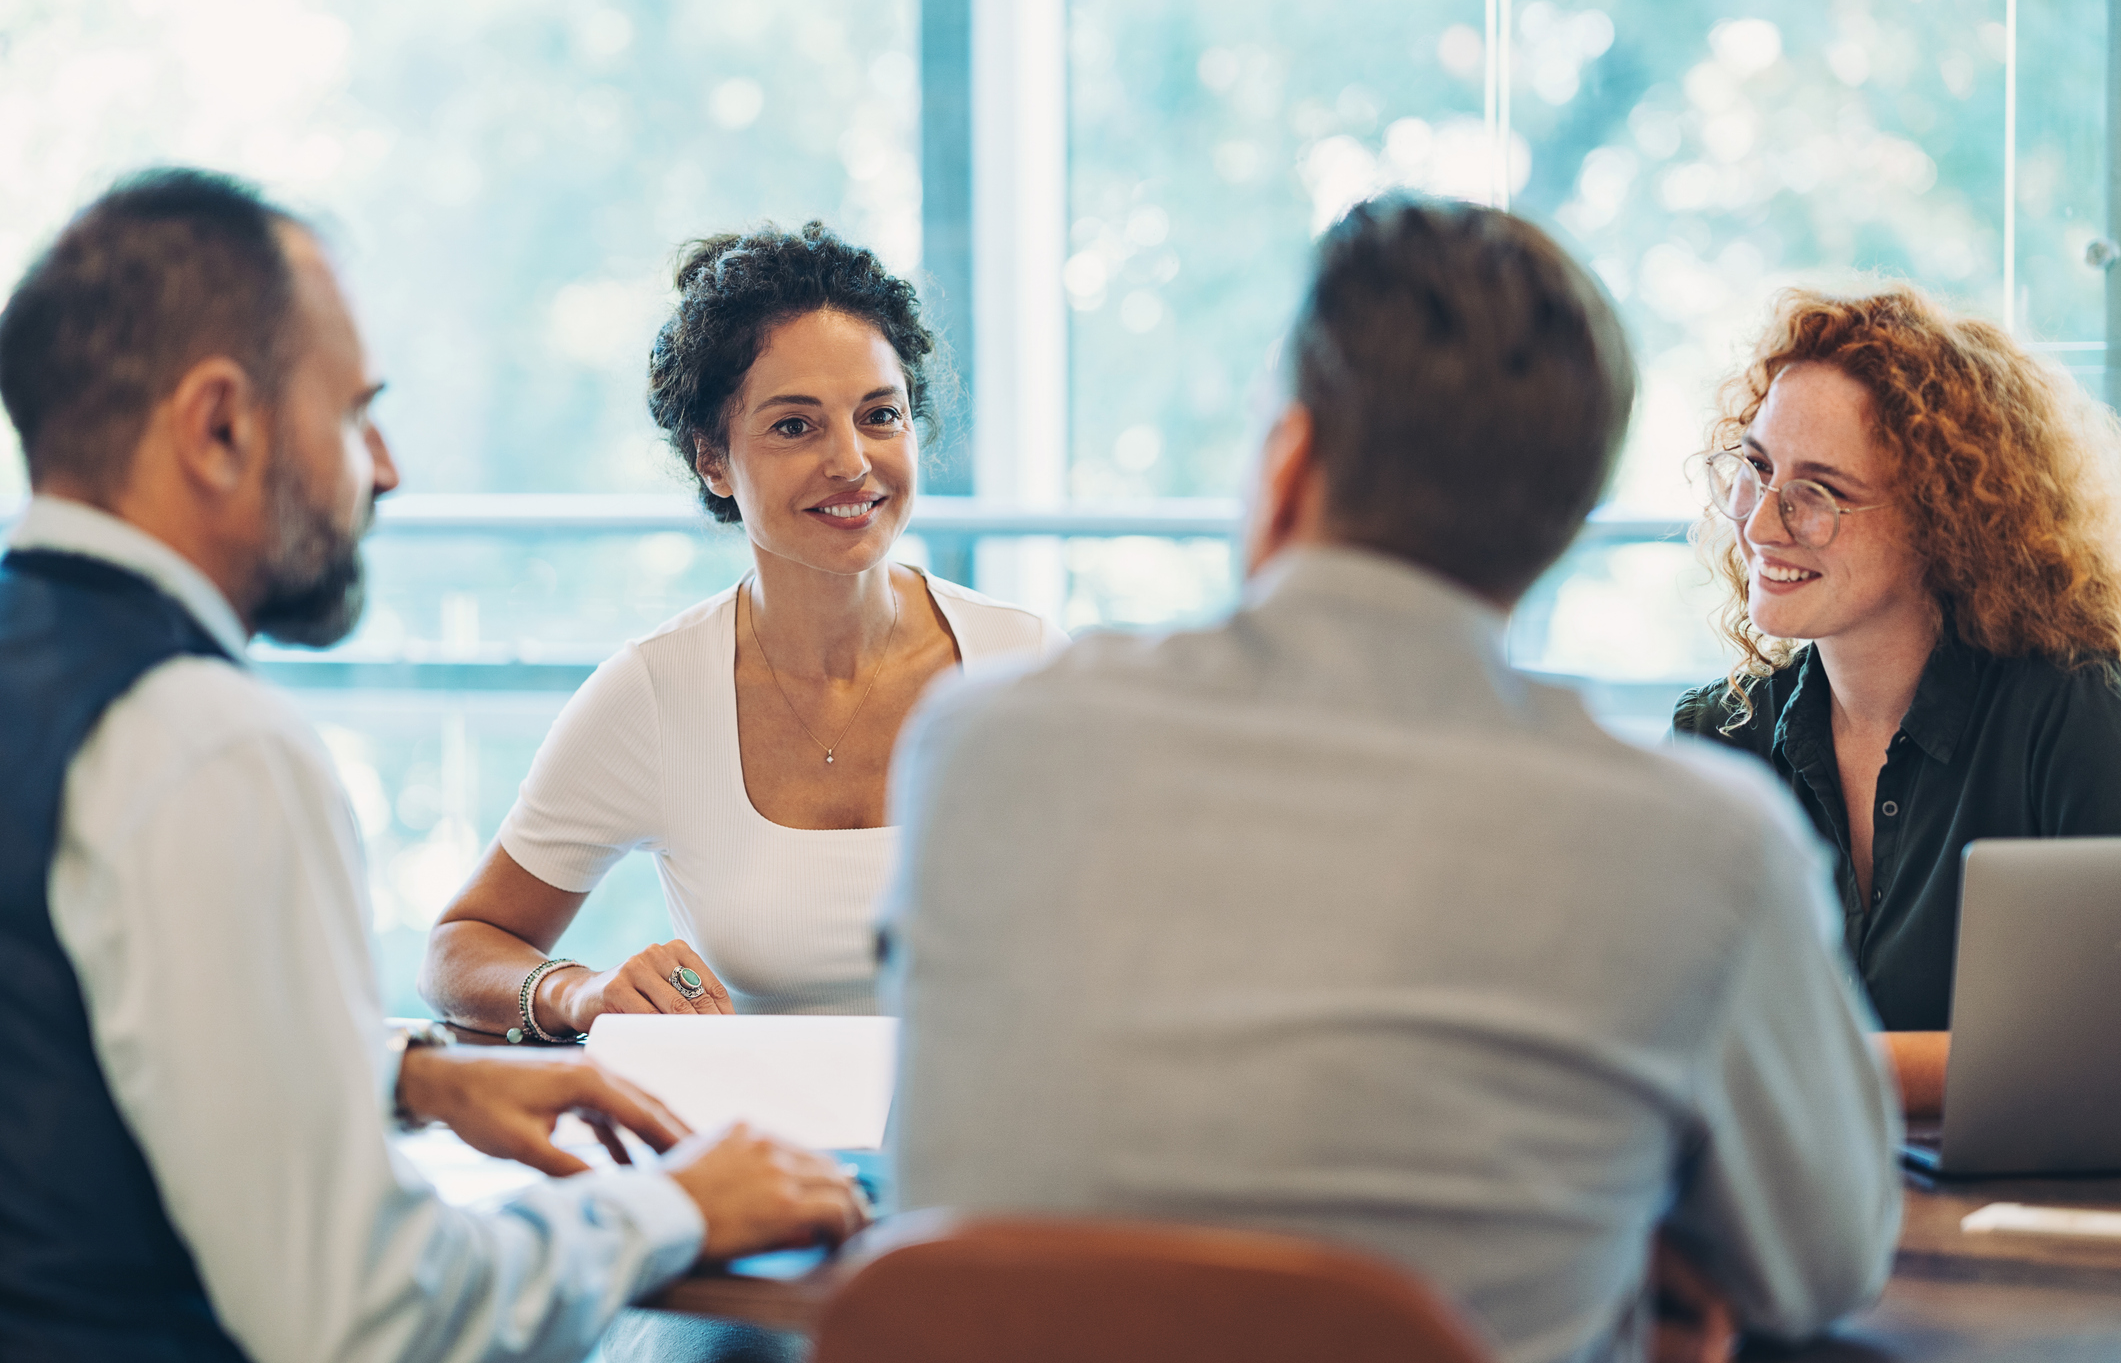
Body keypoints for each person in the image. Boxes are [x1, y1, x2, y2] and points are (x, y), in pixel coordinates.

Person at [880, 196, 1900, 1363]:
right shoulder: (1706, 848)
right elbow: (1822, 1264)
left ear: (1291, 461)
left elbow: (934, 1179)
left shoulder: (978, 743)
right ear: (1557, 526)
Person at [0, 168, 865, 1362]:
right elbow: (368, 1315)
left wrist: (411, 1074)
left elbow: (67, 1053)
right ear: (219, 425)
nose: (388, 467)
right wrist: (679, 1205)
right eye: (356, 413)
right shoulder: (206, 742)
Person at [420, 223, 1063, 1038]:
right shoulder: (656, 694)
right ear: (712, 460)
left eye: (879, 416)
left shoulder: (1028, 664)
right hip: (766, 1153)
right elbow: (458, 948)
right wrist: (578, 992)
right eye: (795, 426)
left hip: (1007, 1141)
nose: (852, 463)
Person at [1672, 284, 2121, 1117]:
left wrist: (1795, 1068)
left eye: (1819, 493)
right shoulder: (1718, 737)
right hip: (1790, 1219)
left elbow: (2100, 1054)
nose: (1761, 525)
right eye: (1757, 468)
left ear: (1944, 521)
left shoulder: (2077, 714)